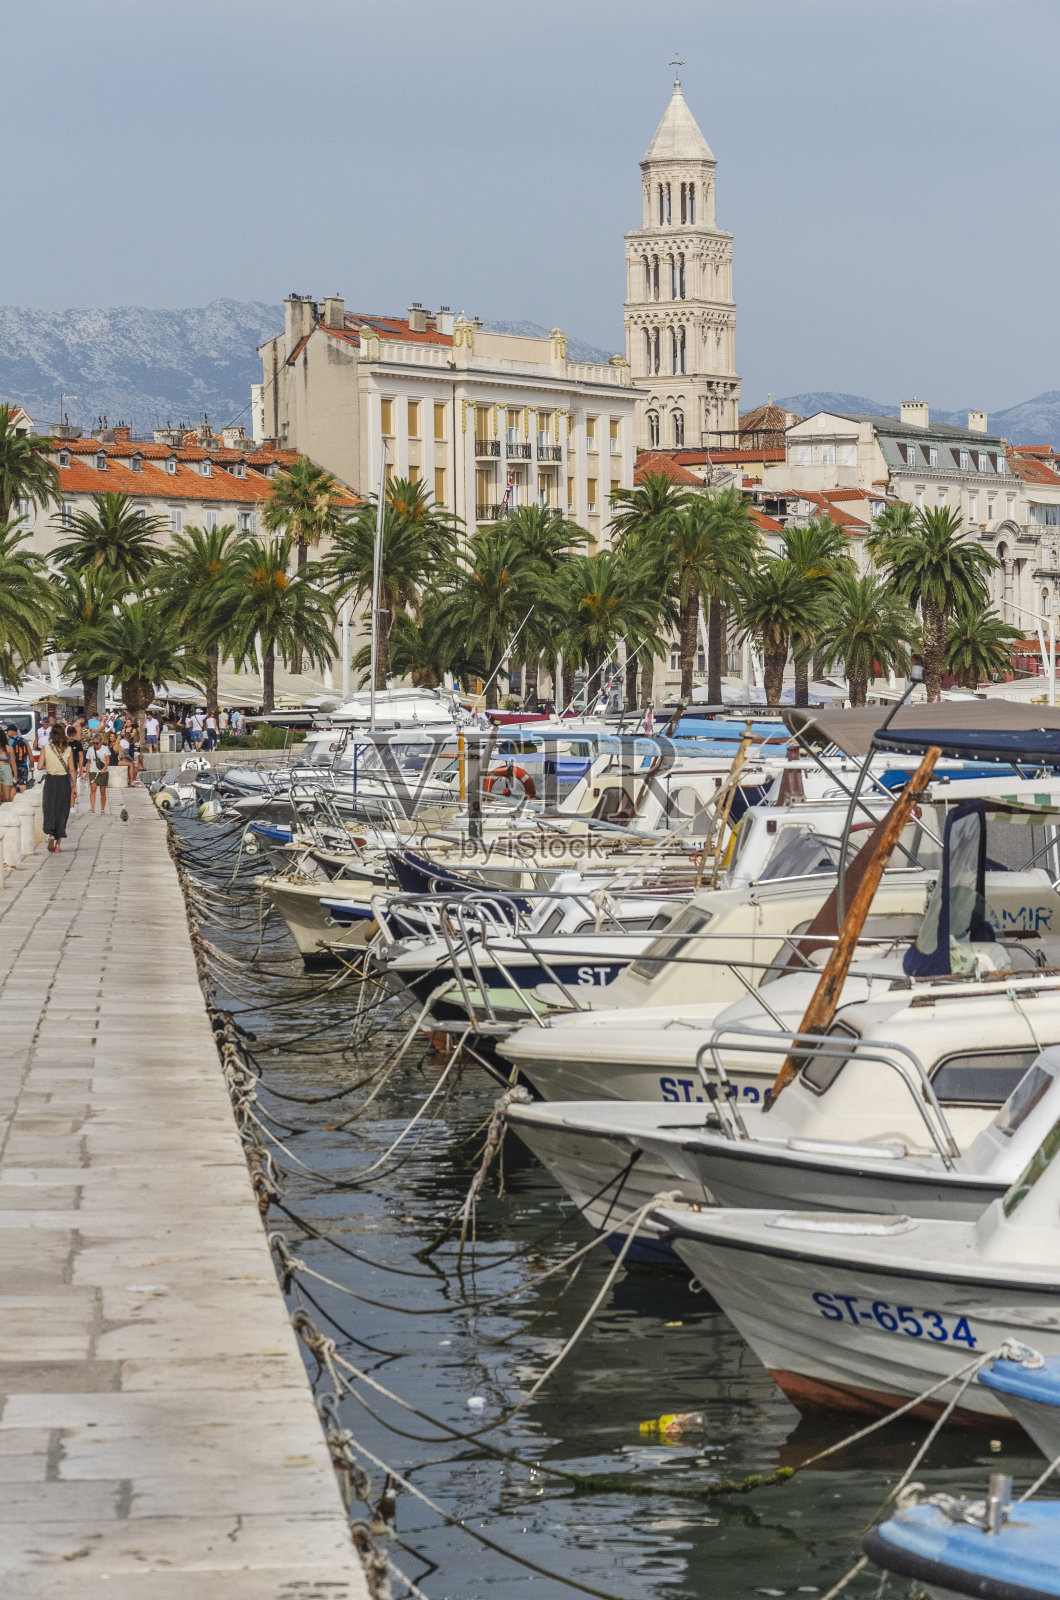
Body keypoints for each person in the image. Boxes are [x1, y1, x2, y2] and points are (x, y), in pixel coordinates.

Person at [42, 725, 76, 851]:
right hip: (63, 782)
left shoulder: (46, 748)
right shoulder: (68, 749)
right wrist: (74, 787)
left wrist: (49, 763)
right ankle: (58, 845)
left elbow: (40, 766)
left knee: (50, 808)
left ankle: (51, 834)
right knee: (62, 811)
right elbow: (72, 770)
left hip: (51, 781)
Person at [88, 734, 111, 814]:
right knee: (93, 789)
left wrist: (105, 768)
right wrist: (86, 772)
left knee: (102, 791)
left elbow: (107, 760)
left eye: (96, 743)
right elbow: (89, 761)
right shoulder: (90, 749)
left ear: (101, 742)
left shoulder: (105, 749)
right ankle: (92, 808)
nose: (95, 745)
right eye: (93, 743)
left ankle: (102, 809)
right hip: (93, 771)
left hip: (102, 772)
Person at [6, 725, 30, 792]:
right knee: (23, 785)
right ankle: (23, 800)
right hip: (23, 766)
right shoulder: (24, 741)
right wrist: (32, 766)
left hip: (13, 767)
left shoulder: (8, 742)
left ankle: (13, 800)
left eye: (7, 731)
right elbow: (30, 754)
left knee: (13, 785)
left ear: (11, 731)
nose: (7, 733)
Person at [0, 728, 16, 803]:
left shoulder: (9, 748)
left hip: (6, 770)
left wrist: (15, 775)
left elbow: (13, 762)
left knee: (7, 797)